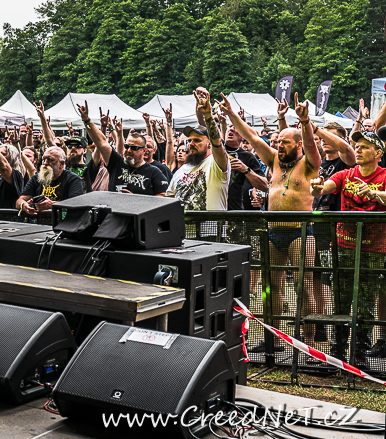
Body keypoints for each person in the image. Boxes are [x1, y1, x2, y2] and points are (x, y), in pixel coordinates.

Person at [219, 92, 320, 349]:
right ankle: (272, 340)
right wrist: (231, 114)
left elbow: (311, 144)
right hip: (273, 232)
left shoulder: (309, 164)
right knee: (271, 286)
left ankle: (309, 342)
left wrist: (305, 122)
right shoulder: (274, 160)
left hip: (300, 231)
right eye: (278, 142)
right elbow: (253, 137)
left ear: (298, 145)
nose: (279, 145)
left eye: (285, 142)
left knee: (303, 284)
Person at [311, 130, 386, 361]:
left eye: (365, 147)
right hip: (343, 247)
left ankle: (359, 356)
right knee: (340, 303)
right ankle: (337, 354)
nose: (358, 150)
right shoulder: (346, 174)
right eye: (357, 146)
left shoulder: (384, 176)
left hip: (373, 250)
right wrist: (317, 187)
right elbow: (324, 188)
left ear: (378, 153)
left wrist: (375, 193)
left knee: (365, 305)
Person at [77, 103, 168, 195]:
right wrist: (86, 120)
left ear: (144, 151)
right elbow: (102, 142)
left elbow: (163, 197)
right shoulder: (116, 163)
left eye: (134, 148)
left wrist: (137, 199)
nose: (129, 150)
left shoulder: (154, 172)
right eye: (127, 146)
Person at [165, 88, 230, 211]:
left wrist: (208, 115)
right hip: (183, 224)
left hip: (211, 224)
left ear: (209, 143)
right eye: (189, 140)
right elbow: (169, 200)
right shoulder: (181, 170)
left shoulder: (216, 164)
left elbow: (217, 142)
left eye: (197, 140)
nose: (191, 144)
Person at [16, 146, 84, 217]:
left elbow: (76, 203)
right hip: (39, 221)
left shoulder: (73, 179)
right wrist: (24, 205)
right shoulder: (36, 178)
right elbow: (19, 201)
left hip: (64, 221)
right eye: (43, 159)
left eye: (50, 160)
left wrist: (52, 204)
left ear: (61, 164)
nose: (45, 163)